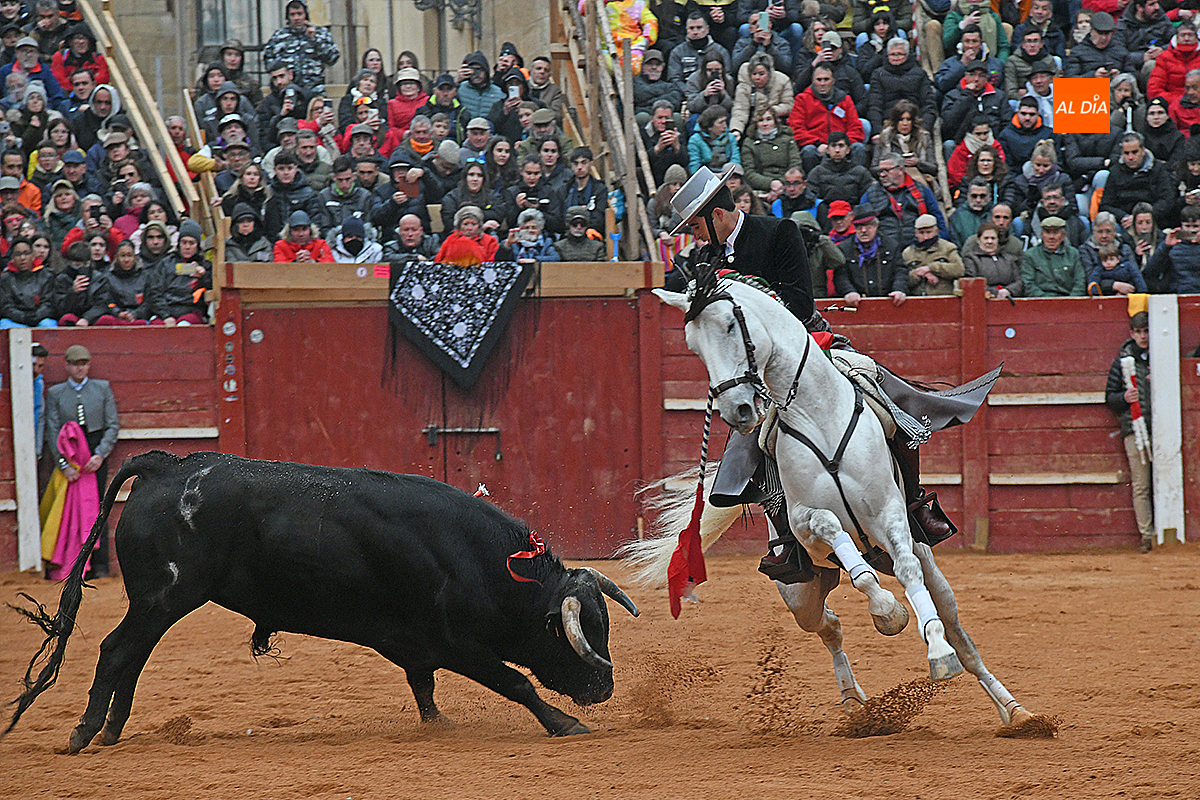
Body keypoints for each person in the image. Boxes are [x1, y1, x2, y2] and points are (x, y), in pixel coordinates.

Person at [44, 342, 119, 578]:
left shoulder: (102, 388)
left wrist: (100, 454)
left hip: (94, 456)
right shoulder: (56, 393)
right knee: (69, 511)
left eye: (84, 363)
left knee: (98, 508)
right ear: (66, 365)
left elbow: (112, 426)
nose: (80, 368)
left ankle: (100, 566)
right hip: (71, 458)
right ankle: (74, 565)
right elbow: (53, 430)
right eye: (75, 364)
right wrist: (64, 465)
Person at [1105, 311, 1153, 553]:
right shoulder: (1122, 361)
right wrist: (1123, 397)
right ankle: (1147, 535)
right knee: (1142, 484)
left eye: (1146, 331)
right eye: (1139, 332)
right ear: (1131, 334)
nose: (1143, 336)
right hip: (1135, 428)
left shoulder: (1162, 355)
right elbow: (1109, 398)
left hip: (1163, 429)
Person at [787, 62, 865, 173]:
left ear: (833, 81)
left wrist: (842, 145)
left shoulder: (845, 99)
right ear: (813, 80)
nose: (822, 83)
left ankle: (856, 181)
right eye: (819, 80)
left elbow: (855, 127)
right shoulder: (802, 99)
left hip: (842, 148)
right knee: (808, 151)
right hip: (817, 148)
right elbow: (796, 129)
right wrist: (817, 144)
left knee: (858, 148)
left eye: (826, 79)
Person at [833, 204, 907, 306]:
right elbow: (841, 275)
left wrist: (899, 289)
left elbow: (900, 271)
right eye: (859, 227)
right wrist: (848, 291)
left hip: (889, 302)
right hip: (857, 304)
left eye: (868, 226)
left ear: (876, 226)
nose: (863, 231)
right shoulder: (844, 248)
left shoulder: (891, 246)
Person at [262, 0, 340, 93]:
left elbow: (332, 59)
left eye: (300, 14)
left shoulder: (320, 33)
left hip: (314, 90)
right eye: (293, 15)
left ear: (305, 15)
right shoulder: (279, 36)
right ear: (288, 17)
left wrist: (314, 40)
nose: (296, 18)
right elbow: (268, 63)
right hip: (288, 90)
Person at [0, 235, 57, 327]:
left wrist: (36, 316)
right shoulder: (6, 278)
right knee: (4, 324)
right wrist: (23, 317)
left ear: (33, 255)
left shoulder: (47, 275)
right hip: (16, 320)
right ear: (12, 258)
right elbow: (6, 306)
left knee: (48, 324)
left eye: (26, 253)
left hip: (40, 319)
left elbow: (49, 303)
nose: (22, 258)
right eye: (18, 254)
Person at [1021, 215, 1085, 296]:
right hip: (1040, 302)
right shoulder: (1031, 255)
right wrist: (1048, 301)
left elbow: (1080, 282)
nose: (1051, 237)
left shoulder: (1073, 254)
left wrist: (1070, 302)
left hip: (1068, 301)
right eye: (1047, 232)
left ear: (1063, 235)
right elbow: (1028, 284)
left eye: (1055, 233)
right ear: (1042, 235)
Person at [902, 214, 964, 296]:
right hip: (917, 299)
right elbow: (903, 279)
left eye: (929, 232)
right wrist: (919, 273)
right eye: (921, 233)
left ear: (936, 231)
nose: (925, 237)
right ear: (916, 233)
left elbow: (959, 270)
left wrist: (932, 268)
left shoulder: (948, 248)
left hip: (944, 298)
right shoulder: (907, 253)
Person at [961, 220, 1023, 298]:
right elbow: (971, 283)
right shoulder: (971, 259)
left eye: (993, 238)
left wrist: (1008, 291)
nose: (989, 242)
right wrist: (996, 292)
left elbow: (1019, 281)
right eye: (986, 238)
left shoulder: (1008, 258)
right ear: (978, 240)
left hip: (1010, 299)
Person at [436, 205, 500, 265]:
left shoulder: (490, 241)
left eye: (474, 224)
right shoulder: (450, 239)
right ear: (459, 226)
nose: (469, 228)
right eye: (465, 224)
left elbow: (491, 264)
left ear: (480, 226)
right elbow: (438, 262)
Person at [633, 49, 682, 117]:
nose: (654, 67)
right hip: (642, 117)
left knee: (677, 116)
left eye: (658, 64)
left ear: (662, 67)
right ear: (642, 66)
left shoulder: (669, 85)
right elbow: (639, 96)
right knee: (642, 117)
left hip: (664, 116)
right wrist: (661, 98)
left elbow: (676, 101)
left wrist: (646, 104)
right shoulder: (634, 82)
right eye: (650, 64)